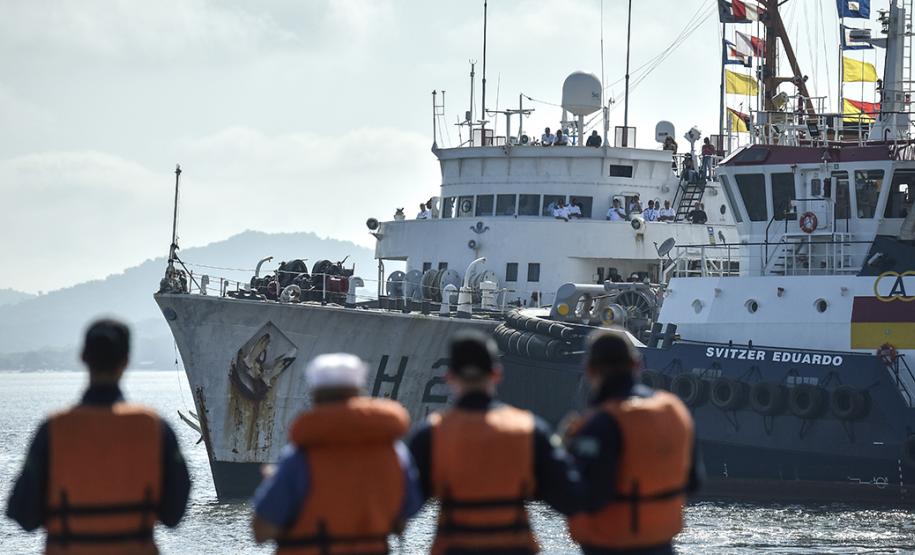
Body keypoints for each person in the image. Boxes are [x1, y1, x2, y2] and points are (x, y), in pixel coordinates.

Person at [6, 319, 191, 554]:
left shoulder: (53, 430)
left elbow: (24, 515)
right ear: (125, 361)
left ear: (83, 357)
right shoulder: (155, 428)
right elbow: (173, 515)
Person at [408, 331, 581, 555]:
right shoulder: (529, 430)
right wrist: (568, 450)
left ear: (449, 377)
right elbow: (568, 498)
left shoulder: (430, 434)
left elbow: (406, 505)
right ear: (496, 374)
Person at [252, 353, 422, 553]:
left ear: (315, 396)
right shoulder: (396, 454)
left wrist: (273, 481)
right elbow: (403, 518)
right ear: (359, 392)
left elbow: (261, 531)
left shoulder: (298, 459)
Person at [566, 329, 701, 555]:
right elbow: (693, 482)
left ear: (590, 370)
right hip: (662, 545)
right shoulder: (675, 412)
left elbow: (590, 493)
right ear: (637, 364)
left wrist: (566, 454)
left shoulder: (600, 424)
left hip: (610, 546)